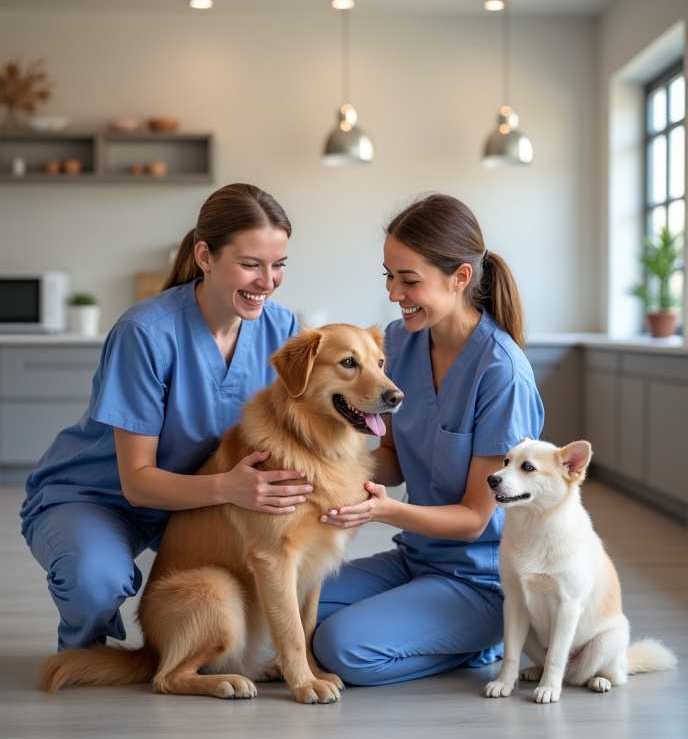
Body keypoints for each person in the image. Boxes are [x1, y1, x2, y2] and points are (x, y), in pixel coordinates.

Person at [21, 183, 313, 652]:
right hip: (105, 497)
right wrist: (228, 488)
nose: (267, 281)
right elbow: (136, 482)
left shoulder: (282, 330)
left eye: (278, 265)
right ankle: (84, 648)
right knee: (96, 580)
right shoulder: (146, 332)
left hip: (203, 505)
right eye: (250, 265)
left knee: (302, 574)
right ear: (205, 255)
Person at [313, 192, 545, 686]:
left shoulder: (501, 373)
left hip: (484, 580)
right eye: (389, 276)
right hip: (415, 557)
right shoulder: (398, 342)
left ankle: (486, 642)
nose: (394, 293)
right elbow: (393, 458)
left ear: (460, 277)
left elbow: (472, 519)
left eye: (409, 280)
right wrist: (322, 470)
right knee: (289, 605)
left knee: (339, 647)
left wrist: (383, 510)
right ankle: (426, 626)